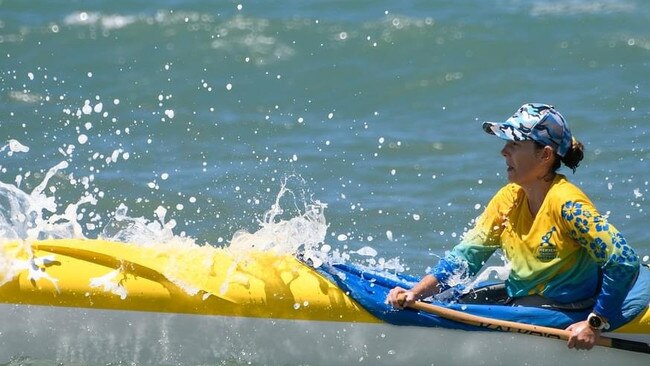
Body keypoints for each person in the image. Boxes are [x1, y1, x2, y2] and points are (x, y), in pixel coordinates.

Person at [386, 103, 640, 350]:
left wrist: (594, 324)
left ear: (545, 155)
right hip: (525, 299)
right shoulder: (508, 199)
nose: (504, 151)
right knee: (447, 302)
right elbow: (465, 258)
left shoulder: (568, 205)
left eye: (515, 144)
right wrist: (415, 294)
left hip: (568, 309)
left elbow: (624, 261)